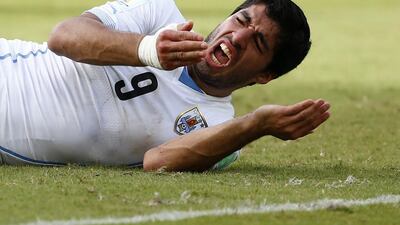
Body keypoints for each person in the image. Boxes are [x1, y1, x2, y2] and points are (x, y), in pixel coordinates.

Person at [0, 0, 330, 171]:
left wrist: (255, 124)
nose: (239, 36)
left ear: (264, 76)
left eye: (258, 42)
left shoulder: (224, 130)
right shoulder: (160, 14)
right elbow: (63, 37)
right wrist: (146, 49)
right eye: (241, 20)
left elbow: (157, 162)